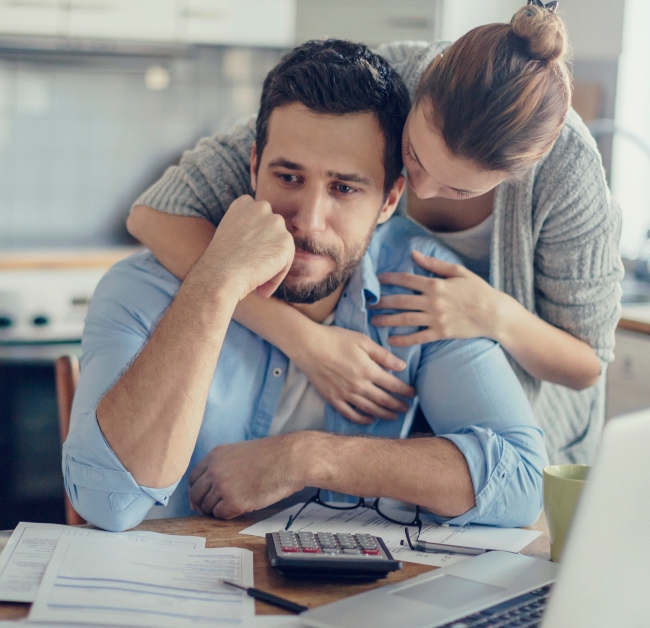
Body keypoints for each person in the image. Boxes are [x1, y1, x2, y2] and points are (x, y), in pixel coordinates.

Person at [62, 40, 545, 532]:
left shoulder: (422, 287)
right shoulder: (142, 290)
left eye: (344, 188)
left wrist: (308, 457)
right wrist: (215, 284)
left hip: (343, 604)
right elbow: (107, 503)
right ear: (253, 168)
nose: (309, 222)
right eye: (289, 177)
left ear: (389, 199)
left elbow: (523, 481)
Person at [127, 1, 624, 464]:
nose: (420, 190)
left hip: (517, 444)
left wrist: (494, 315)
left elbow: (585, 366)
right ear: (424, 86)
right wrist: (302, 339)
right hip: (385, 446)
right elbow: (155, 215)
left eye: (455, 187)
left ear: (523, 170)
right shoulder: (383, 87)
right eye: (412, 152)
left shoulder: (568, 173)